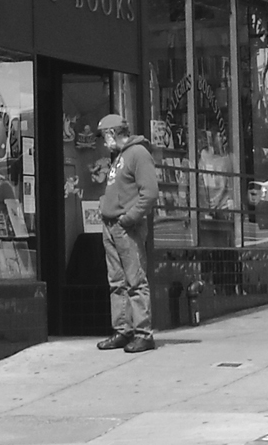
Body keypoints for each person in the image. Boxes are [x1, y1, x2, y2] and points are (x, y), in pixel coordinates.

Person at [96, 112, 159, 353]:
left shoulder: (138, 154)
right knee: (117, 281)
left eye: (104, 136)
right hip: (112, 225)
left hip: (125, 227)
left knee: (135, 280)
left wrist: (129, 218)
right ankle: (123, 329)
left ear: (113, 133)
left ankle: (143, 333)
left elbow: (150, 192)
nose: (104, 142)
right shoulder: (121, 156)